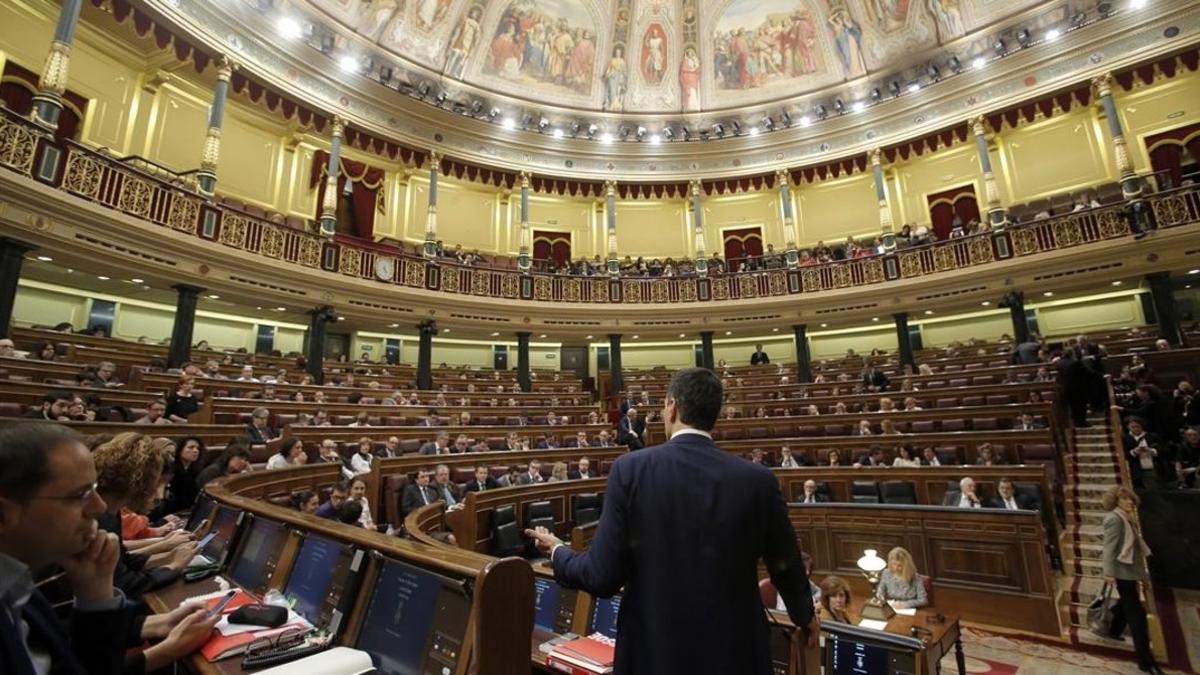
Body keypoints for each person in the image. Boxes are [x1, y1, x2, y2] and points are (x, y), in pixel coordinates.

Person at [525, 368, 817, 674]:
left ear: (672, 407)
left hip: (654, 653)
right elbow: (786, 563)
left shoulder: (631, 470)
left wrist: (559, 551)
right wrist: (803, 615)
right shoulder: (758, 480)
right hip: (736, 655)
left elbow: (602, 576)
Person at [0, 424, 218, 675]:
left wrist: (96, 598)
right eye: (80, 494)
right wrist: (168, 650)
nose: (98, 505)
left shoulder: (20, 589)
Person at [1101, 487, 1162, 674]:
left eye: (1130, 500)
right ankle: (1145, 661)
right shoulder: (1114, 519)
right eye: (1124, 500)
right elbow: (1109, 548)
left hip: (1130, 568)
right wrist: (1109, 572)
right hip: (1121, 571)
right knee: (1137, 615)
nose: (1129, 503)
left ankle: (1114, 629)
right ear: (1116, 501)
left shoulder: (1127, 518)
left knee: (1127, 603)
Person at [162, 436, 204, 514]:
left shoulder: (192, 471)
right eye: (191, 447)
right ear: (180, 450)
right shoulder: (173, 471)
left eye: (198, 448)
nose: (195, 451)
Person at [1122, 417, 1164, 489]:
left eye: (1138, 426)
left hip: (1151, 467)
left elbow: (1164, 450)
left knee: (1154, 489)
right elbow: (1123, 455)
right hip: (1134, 470)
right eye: (1133, 427)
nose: (1136, 429)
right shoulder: (1124, 439)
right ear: (1128, 427)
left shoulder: (1152, 436)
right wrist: (1134, 452)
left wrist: (1151, 450)